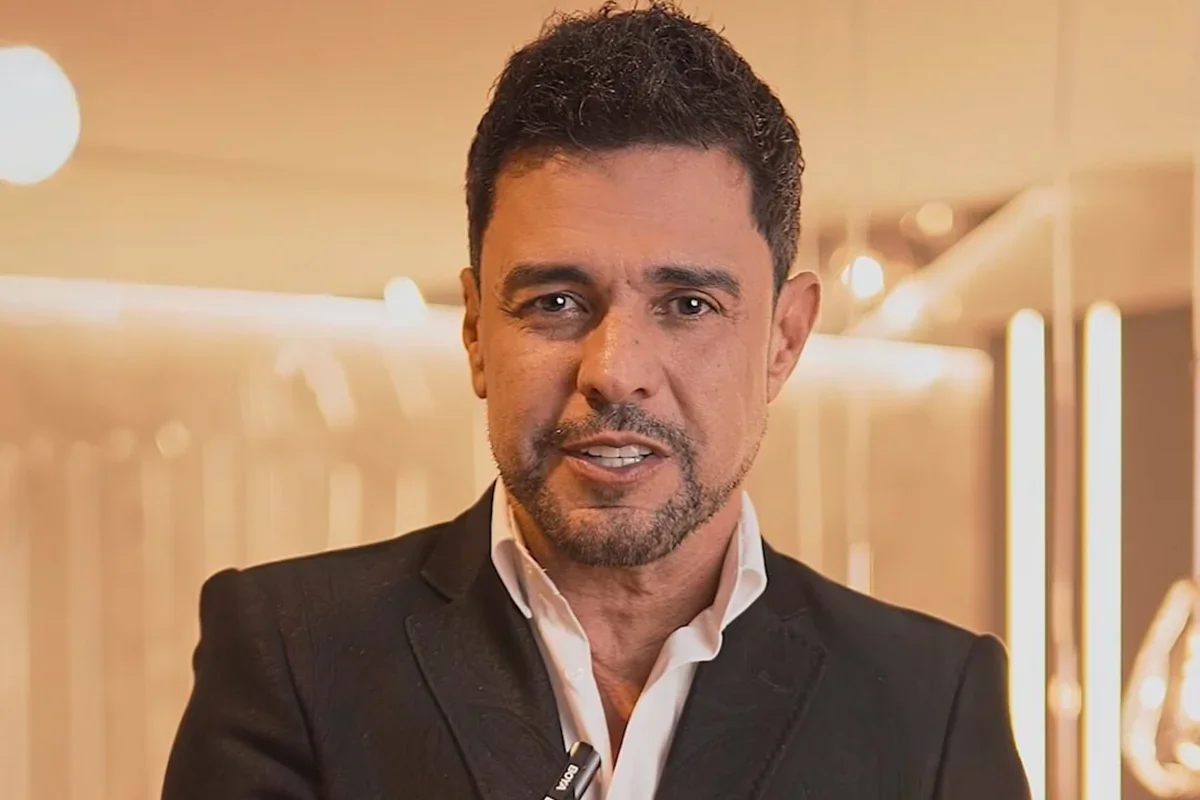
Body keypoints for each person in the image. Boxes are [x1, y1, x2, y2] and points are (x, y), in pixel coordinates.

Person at [162, 3, 1030, 798]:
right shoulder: (293, 653)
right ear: (476, 330)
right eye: (555, 302)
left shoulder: (931, 706)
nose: (614, 371)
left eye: (688, 305)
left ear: (785, 338)